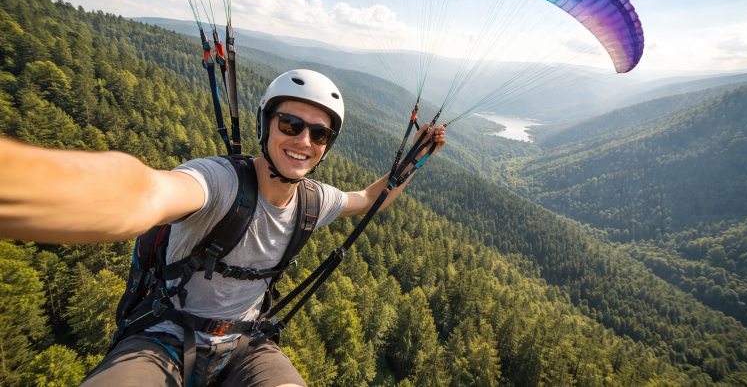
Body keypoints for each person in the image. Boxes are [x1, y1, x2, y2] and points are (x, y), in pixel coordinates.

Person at [0, 69, 446, 387]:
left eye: (319, 134)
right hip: (161, 341)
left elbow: (368, 200)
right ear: (266, 125)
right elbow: (143, 193)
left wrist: (416, 159)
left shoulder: (313, 199)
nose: (303, 141)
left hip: (245, 347)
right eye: (290, 124)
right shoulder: (220, 182)